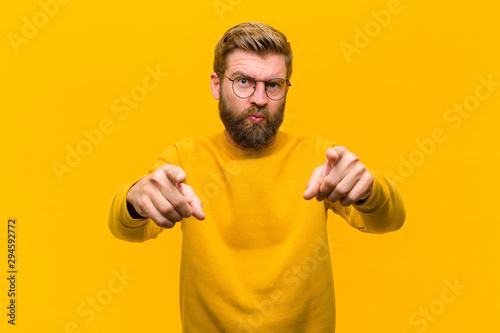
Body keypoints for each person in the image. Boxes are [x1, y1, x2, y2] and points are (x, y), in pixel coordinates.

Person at [108, 22, 406, 332]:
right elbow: (127, 229)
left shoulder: (320, 158)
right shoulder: (186, 159)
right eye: (244, 81)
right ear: (215, 84)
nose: (260, 98)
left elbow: (389, 220)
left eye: (274, 84)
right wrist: (135, 199)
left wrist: (368, 190)